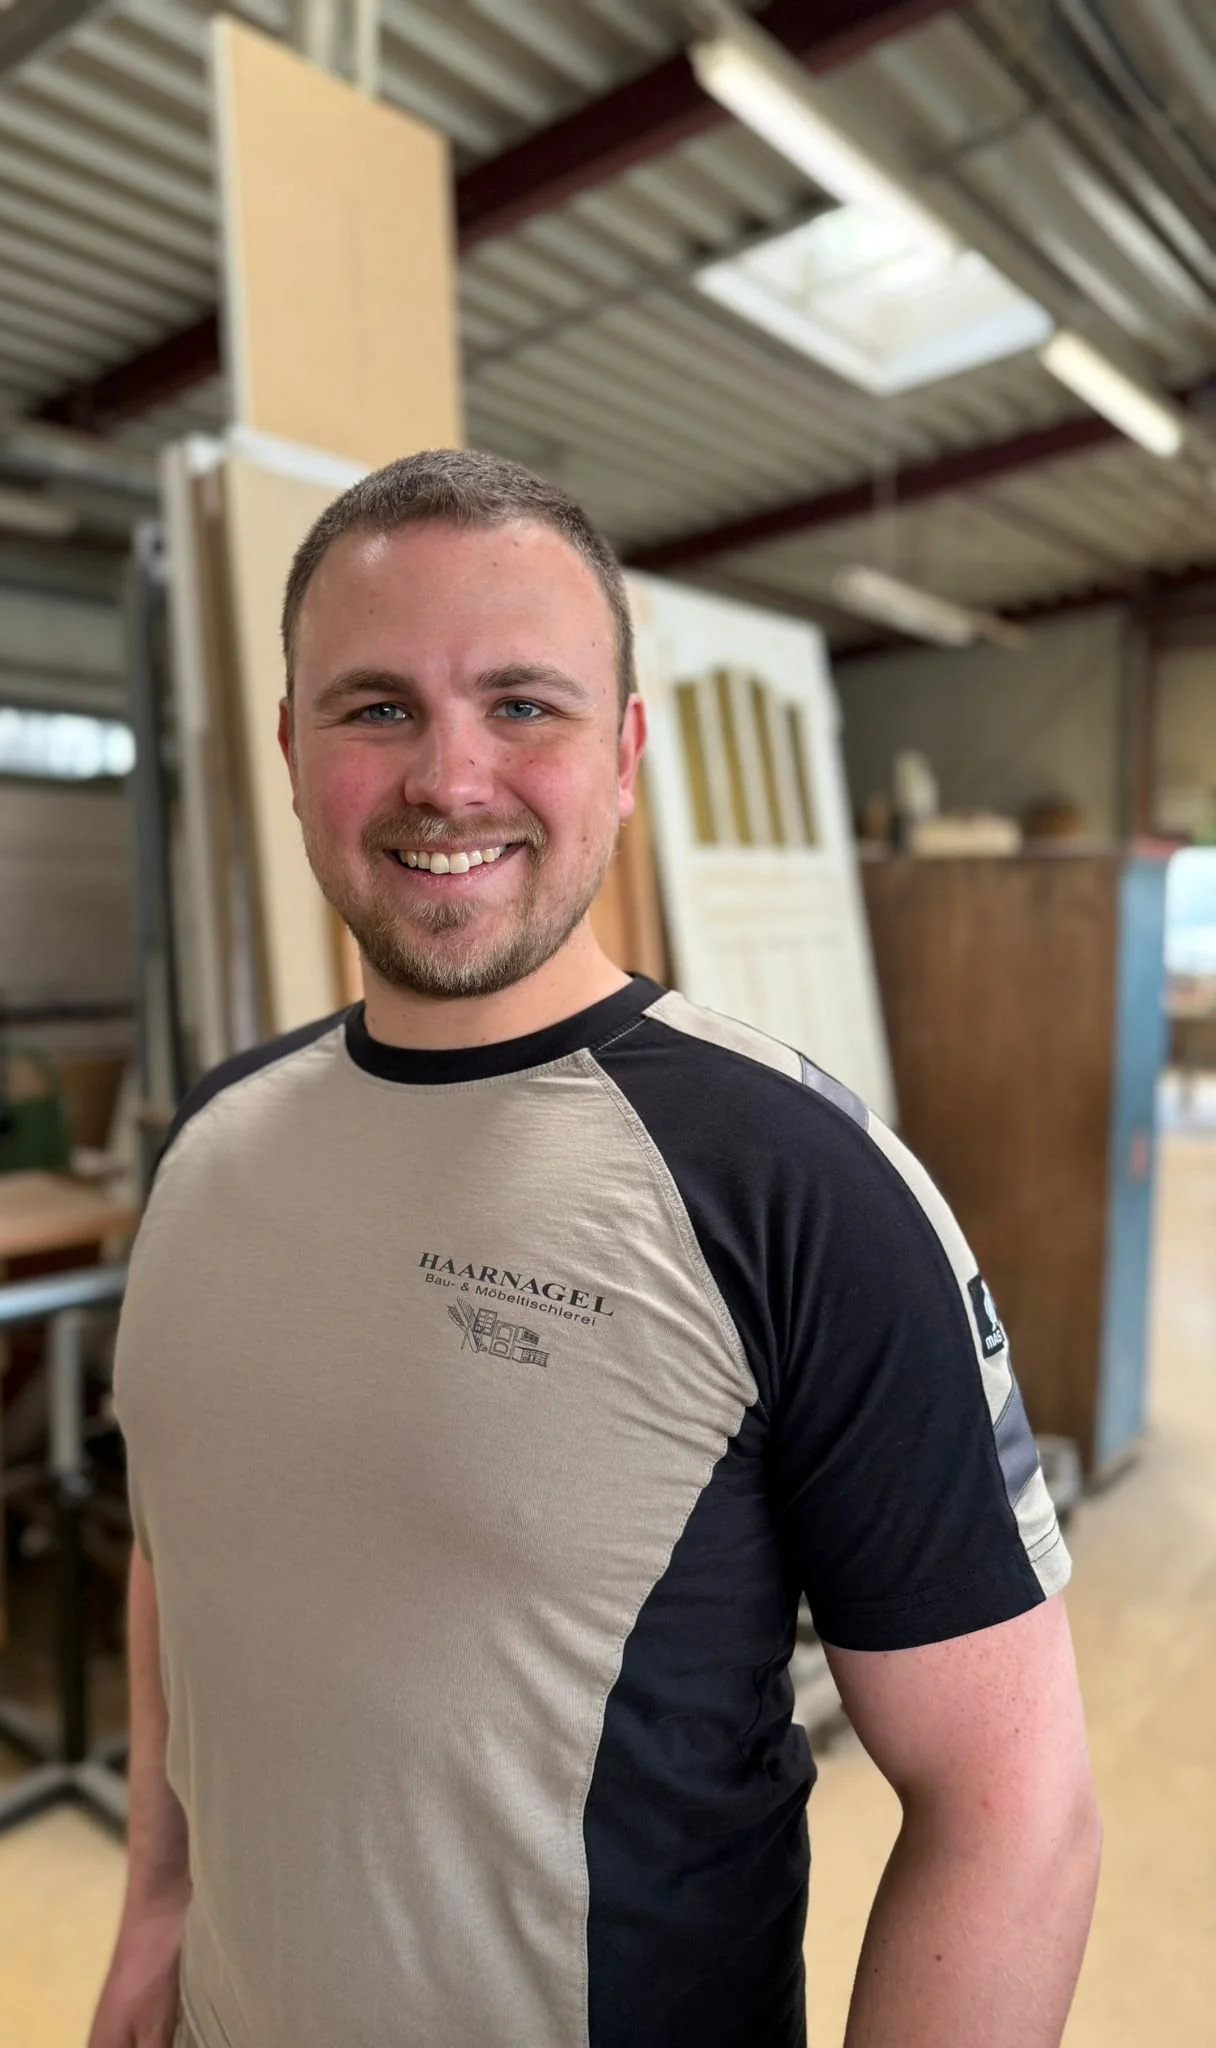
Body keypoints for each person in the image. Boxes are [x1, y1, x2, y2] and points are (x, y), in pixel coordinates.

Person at [92, 450, 1101, 2048]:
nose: (450, 779)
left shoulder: (798, 1191)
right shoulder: (210, 1148)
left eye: (523, 705)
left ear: (625, 754)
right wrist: (159, 1902)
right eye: (376, 709)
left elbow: (1014, 1807)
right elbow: (178, 1549)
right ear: (289, 751)